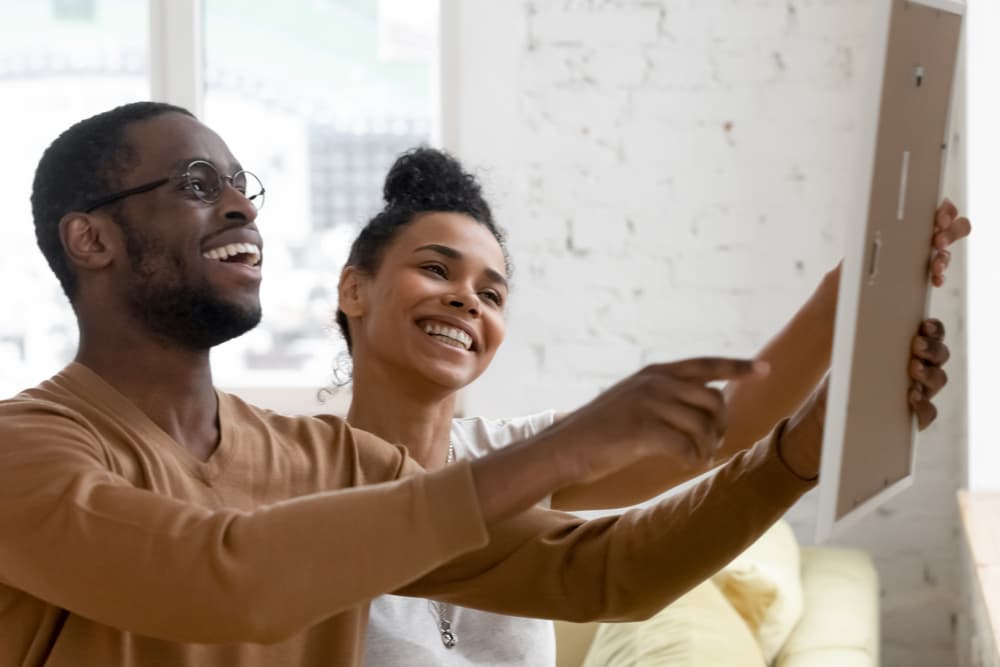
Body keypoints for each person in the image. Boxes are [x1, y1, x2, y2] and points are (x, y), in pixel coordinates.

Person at [0, 102, 949, 667]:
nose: (244, 201)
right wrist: (562, 450)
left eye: (245, 182)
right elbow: (224, 574)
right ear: (92, 238)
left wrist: (804, 446)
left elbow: (601, 571)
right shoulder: (26, 449)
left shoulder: (325, 459)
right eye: (200, 183)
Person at [335, 148, 966, 665]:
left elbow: (721, 431)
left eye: (491, 293)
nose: (468, 301)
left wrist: (852, 291)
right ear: (353, 289)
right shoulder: (291, 475)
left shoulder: (513, 457)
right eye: (436, 270)